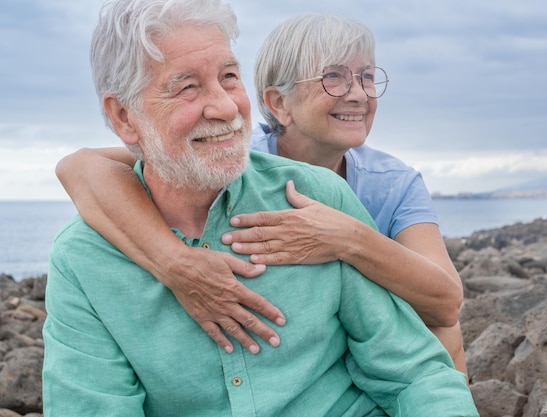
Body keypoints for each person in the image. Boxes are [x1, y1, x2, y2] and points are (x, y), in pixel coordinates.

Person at [42, 0, 478, 415]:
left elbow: (420, 355)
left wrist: (348, 237)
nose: (226, 106)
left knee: (442, 336)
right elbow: (85, 167)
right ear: (123, 118)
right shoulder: (84, 260)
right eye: (188, 87)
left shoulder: (347, 189)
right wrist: (175, 262)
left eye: (229, 76)